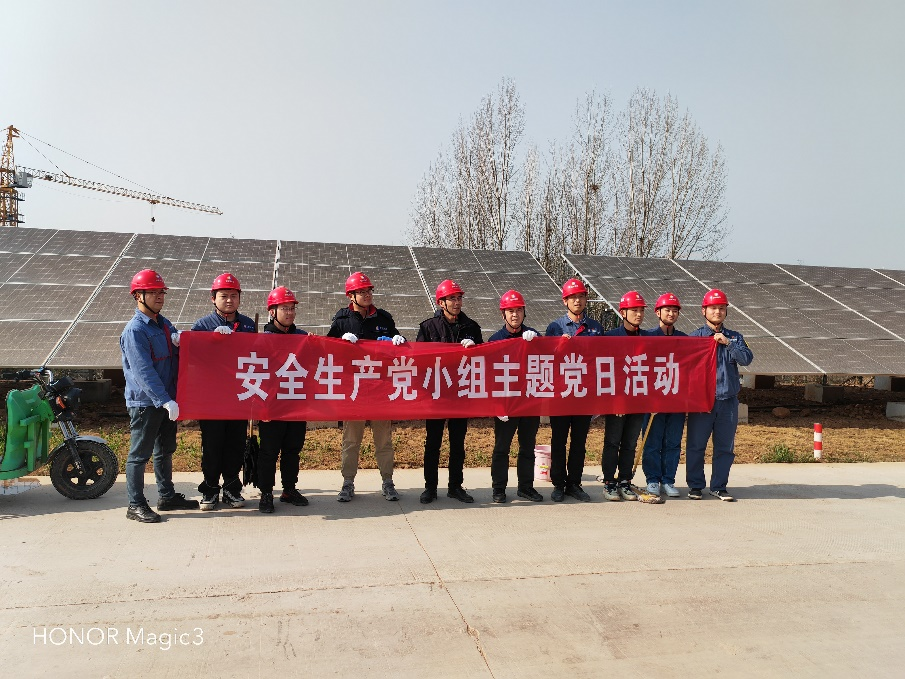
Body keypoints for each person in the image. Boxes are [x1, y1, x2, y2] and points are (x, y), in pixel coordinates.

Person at [120, 269, 199, 523]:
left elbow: (174, 359)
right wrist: (164, 399)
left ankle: (166, 496)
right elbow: (143, 371)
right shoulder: (135, 330)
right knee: (139, 455)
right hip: (146, 402)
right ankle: (135, 505)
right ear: (138, 296)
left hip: (167, 401)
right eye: (152, 292)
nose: (159, 296)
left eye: (161, 292)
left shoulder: (164, 324)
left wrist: (183, 342)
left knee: (164, 450)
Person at [327, 272, 406, 502]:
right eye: (361, 292)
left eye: (369, 290)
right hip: (355, 391)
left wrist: (399, 341)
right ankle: (348, 482)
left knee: (384, 440)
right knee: (351, 440)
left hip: (380, 389)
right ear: (350, 296)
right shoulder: (342, 320)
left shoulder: (384, 318)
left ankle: (388, 481)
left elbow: (398, 347)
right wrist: (340, 342)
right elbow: (328, 350)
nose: (367, 295)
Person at [191, 272, 257, 510]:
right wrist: (211, 340)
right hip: (211, 399)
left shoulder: (248, 325)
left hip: (239, 396)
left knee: (235, 445)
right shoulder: (202, 326)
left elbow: (258, 356)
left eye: (233, 295)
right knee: (212, 445)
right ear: (213, 298)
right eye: (224, 295)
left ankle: (231, 488)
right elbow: (193, 358)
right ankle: (210, 489)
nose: (229, 300)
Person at [416, 279, 483, 504]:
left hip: (460, 394)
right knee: (433, 443)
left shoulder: (471, 327)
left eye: (459, 298)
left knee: (457, 443)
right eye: (452, 298)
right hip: (436, 395)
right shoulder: (428, 327)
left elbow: (484, 359)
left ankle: (455, 486)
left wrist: (474, 348)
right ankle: (430, 488)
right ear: (441, 302)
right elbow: (419, 360)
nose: (457, 302)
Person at [686, 289, 754, 501]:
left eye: (721, 308)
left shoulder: (735, 337)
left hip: (728, 402)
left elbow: (746, 359)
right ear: (703, 311)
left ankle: (719, 486)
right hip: (702, 403)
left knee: (725, 448)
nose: (717, 312)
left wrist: (728, 343)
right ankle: (695, 486)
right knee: (696, 446)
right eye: (713, 308)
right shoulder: (695, 338)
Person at [544, 278, 603, 503]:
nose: (577, 301)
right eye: (572, 297)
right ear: (565, 301)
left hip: (584, 394)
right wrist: (558, 346)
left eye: (581, 296)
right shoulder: (555, 327)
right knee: (558, 441)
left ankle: (574, 484)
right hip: (561, 394)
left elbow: (600, 359)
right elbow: (546, 359)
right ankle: (559, 484)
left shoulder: (596, 328)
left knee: (579, 442)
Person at [257, 286, 310, 513]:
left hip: (296, 403)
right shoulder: (263, 340)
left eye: (292, 308)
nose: (289, 313)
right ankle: (266, 493)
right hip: (271, 405)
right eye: (284, 308)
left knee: (293, 449)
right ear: (272, 311)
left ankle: (289, 489)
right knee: (269, 451)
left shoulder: (303, 338)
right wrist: (260, 407)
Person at [488, 290, 543, 503]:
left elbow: (547, 359)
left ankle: (526, 487)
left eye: (519, 310)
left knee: (527, 447)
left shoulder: (533, 336)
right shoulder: (495, 340)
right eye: (510, 311)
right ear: (503, 314)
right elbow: (490, 376)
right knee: (502, 448)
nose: (515, 315)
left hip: (529, 402)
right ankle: (498, 488)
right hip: (506, 404)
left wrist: (537, 342)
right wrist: (496, 405)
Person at [601, 290, 648, 502]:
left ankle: (625, 481)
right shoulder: (610, 338)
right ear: (623, 312)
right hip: (617, 400)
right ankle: (609, 482)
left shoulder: (648, 338)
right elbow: (603, 370)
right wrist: (613, 400)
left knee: (630, 443)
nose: (638, 314)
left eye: (641, 310)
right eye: (634, 310)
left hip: (638, 400)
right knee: (612, 442)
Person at [641, 293, 687, 499]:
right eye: (667, 310)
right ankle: (652, 479)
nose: (671, 313)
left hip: (676, 399)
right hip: (653, 400)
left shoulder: (685, 340)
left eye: (675, 310)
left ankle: (668, 480)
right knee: (652, 441)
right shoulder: (647, 337)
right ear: (658, 312)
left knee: (673, 442)